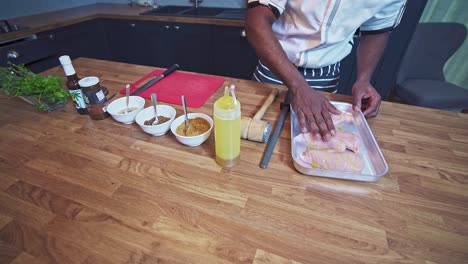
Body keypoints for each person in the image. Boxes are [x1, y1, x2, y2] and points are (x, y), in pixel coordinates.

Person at [245, 0, 407, 141]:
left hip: (326, 75)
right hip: (275, 66)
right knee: (260, 133)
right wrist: (299, 86)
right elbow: (257, 20)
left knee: (317, 138)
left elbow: (377, 30)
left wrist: (364, 79)